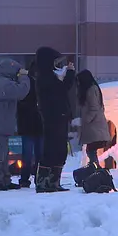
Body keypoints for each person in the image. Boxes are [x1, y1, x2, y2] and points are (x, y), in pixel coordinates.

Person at [0, 58, 31, 191]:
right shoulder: (3, 84)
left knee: (3, 155)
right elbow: (22, 91)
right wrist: (24, 77)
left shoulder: (0, 82)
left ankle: (4, 180)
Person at [33, 47, 75, 193]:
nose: (56, 64)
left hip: (58, 116)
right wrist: (69, 73)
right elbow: (62, 90)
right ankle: (45, 182)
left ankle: (53, 182)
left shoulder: (47, 76)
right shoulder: (45, 77)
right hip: (53, 117)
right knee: (52, 149)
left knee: (59, 149)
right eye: (54, 61)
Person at [16, 55, 45, 189]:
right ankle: (37, 178)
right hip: (36, 124)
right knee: (37, 154)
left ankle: (25, 179)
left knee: (28, 155)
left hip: (28, 124)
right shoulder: (37, 84)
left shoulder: (26, 83)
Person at [76, 70, 110, 168]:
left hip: (94, 126)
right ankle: (95, 169)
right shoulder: (93, 89)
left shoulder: (91, 90)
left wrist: (86, 120)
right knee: (91, 150)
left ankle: (95, 170)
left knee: (91, 151)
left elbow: (94, 108)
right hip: (95, 126)